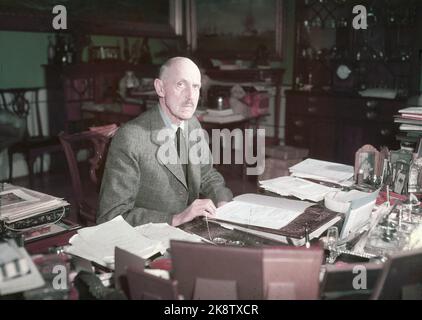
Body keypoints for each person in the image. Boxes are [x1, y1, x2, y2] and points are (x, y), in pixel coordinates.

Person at [97, 57, 233, 226]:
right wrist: (176, 218)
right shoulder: (130, 137)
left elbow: (207, 174)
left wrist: (222, 201)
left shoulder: (192, 124)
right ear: (160, 88)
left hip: (190, 232)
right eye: (181, 85)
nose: (191, 96)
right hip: (150, 240)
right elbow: (111, 216)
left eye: (196, 87)